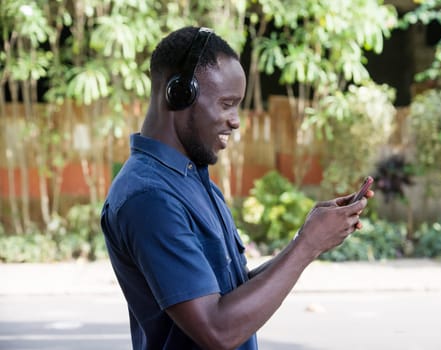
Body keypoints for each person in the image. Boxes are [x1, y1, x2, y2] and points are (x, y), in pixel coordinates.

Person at [100, 26, 372, 350]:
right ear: (178, 93)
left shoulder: (192, 179)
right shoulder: (149, 198)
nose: (236, 121)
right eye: (227, 103)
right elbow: (217, 330)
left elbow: (232, 296)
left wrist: (308, 236)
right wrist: (307, 246)